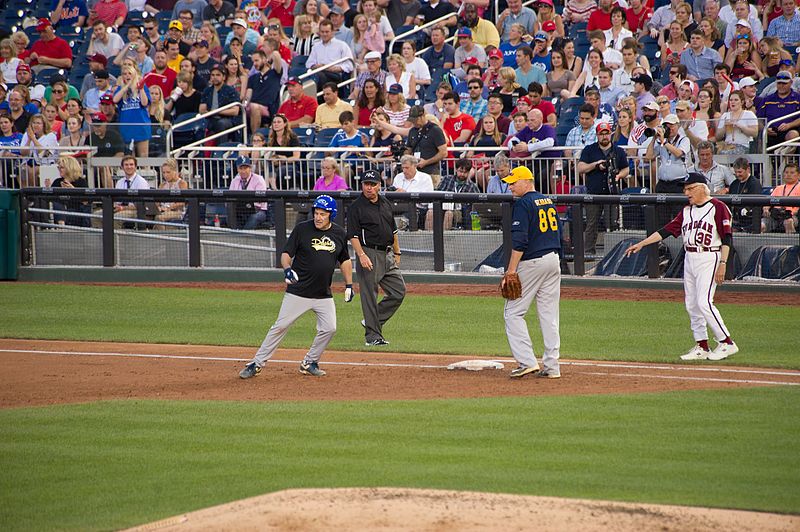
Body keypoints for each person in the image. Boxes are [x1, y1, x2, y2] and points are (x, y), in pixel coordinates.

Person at [625, 172, 738, 361]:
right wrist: (642, 243)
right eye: (685, 189)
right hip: (690, 257)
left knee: (704, 302)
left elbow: (727, 237)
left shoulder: (718, 207)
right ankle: (702, 345)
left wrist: (723, 264)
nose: (687, 192)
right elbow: (666, 231)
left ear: (702, 187)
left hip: (710, 255)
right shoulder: (687, 210)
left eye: (690, 188)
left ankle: (726, 342)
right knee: (692, 304)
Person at [239, 195, 354, 379]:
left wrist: (349, 284)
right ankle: (256, 363)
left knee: (329, 328)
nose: (318, 217)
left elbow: (345, 260)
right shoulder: (302, 229)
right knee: (280, 326)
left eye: (322, 214)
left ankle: (309, 362)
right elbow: (286, 254)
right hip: (298, 292)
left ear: (331, 215)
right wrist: (287, 269)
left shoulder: (339, 233)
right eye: (316, 213)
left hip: (323, 294)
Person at [500, 165, 562, 379]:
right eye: (509, 183)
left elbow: (520, 240)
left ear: (527, 181)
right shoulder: (547, 200)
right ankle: (553, 367)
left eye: (514, 182)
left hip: (533, 262)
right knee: (549, 315)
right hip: (553, 260)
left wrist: (511, 270)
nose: (510, 186)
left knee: (513, 313)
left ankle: (527, 362)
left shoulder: (524, 203)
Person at [346, 168, 405, 346]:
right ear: (362, 185)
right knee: (369, 296)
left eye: (372, 184)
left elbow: (393, 230)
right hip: (369, 253)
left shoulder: (385, 202)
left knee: (398, 291)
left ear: (379, 186)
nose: (369, 188)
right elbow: (353, 235)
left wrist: (397, 252)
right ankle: (372, 337)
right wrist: (361, 255)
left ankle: (372, 320)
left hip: (387, 254)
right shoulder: (356, 207)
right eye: (366, 184)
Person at [577, 122, 629, 254]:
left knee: (613, 224)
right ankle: (588, 253)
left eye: (606, 133)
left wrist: (618, 176)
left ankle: (614, 253)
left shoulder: (618, 151)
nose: (604, 136)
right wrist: (595, 165)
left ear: (610, 134)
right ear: (597, 135)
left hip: (613, 193)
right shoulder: (589, 149)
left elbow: (626, 169)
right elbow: (580, 168)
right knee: (591, 224)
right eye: (601, 134)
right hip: (594, 193)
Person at [645, 113, 692, 225]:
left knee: (678, 216)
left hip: (678, 184)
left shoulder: (684, 140)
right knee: (661, 217)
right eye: (666, 125)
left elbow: (678, 153)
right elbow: (649, 156)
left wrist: (664, 142)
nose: (669, 128)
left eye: (671, 125)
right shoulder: (661, 141)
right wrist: (653, 138)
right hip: (663, 184)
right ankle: (661, 241)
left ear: (678, 126)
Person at [112, 65, 151, 157]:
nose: (127, 76)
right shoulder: (120, 89)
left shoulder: (143, 87)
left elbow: (145, 103)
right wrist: (126, 87)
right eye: (124, 74)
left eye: (130, 73)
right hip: (127, 128)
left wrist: (140, 89)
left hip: (141, 127)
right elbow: (115, 100)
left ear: (134, 75)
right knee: (129, 158)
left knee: (144, 157)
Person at [306, 20, 354, 94]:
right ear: (319, 32)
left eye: (327, 32)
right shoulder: (316, 46)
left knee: (317, 76)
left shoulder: (342, 45)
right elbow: (309, 63)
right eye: (322, 32)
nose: (324, 34)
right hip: (319, 72)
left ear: (332, 32)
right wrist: (316, 66)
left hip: (335, 75)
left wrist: (336, 68)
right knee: (312, 75)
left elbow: (350, 65)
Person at [405, 105, 448, 185]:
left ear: (422, 116)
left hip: (431, 172)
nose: (414, 123)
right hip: (415, 173)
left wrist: (426, 162)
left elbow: (443, 152)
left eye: (416, 120)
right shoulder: (412, 131)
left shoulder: (435, 130)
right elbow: (408, 149)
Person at [198, 65, 241, 143]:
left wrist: (217, 111)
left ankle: (220, 150)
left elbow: (235, 111)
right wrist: (206, 112)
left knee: (221, 124)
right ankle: (199, 152)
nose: (215, 77)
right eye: (213, 75)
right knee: (199, 125)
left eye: (218, 75)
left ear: (224, 77)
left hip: (228, 119)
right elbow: (202, 109)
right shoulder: (207, 91)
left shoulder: (231, 91)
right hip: (210, 119)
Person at [245, 49, 283, 134]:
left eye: (257, 60)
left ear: (264, 59)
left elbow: (276, 54)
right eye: (253, 61)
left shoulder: (275, 73)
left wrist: (269, 60)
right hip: (252, 106)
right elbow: (248, 95)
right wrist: (244, 105)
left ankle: (254, 138)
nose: (254, 64)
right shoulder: (252, 78)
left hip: (268, 108)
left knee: (254, 107)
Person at [392, 155, 434, 228]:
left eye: (407, 168)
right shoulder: (398, 177)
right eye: (403, 168)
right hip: (398, 206)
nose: (404, 171)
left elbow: (427, 200)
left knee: (409, 214)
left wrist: (406, 195)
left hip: (417, 208)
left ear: (415, 166)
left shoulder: (425, 178)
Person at [228, 156, 269, 229]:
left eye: (245, 168)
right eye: (241, 168)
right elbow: (230, 198)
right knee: (231, 214)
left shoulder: (258, 179)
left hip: (258, 210)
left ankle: (243, 236)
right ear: (237, 169)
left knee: (254, 217)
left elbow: (260, 200)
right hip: (240, 210)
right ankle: (234, 234)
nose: (243, 171)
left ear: (250, 168)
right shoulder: (235, 180)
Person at [51, 156, 90, 226]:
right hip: (60, 211)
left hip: (76, 211)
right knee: (57, 204)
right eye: (58, 167)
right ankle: (61, 225)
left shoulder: (81, 182)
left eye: (62, 168)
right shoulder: (57, 182)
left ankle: (62, 225)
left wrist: (73, 190)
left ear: (69, 168)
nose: (59, 170)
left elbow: (86, 202)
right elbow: (50, 198)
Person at [762, 163, 800, 233]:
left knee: (788, 222)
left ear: (798, 175)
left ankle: (791, 243)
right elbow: (768, 202)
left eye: (792, 173)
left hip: (792, 216)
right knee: (761, 225)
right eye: (786, 172)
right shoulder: (778, 188)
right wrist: (766, 209)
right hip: (775, 216)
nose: (788, 175)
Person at [113, 155, 150, 224]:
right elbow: (116, 201)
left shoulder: (141, 182)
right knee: (97, 215)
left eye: (131, 164)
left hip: (135, 210)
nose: (129, 167)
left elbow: (142, 205)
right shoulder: (119, 182)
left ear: (135, 167)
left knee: (115, 218)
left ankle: (116, 235)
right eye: (126, 165)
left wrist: (123, 208)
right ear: (122, 167)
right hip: (120, 209)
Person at [728, 157, 762, 231]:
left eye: (740, 172)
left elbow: (755, 203)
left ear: (748, 169)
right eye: (735, 172)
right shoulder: (734, 184)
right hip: (735, 221)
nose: (737, 174)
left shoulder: (754, 183)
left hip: (750, 222)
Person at [155, 158, 189, 226]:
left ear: (174, 171)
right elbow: (157, 201)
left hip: (177, 211)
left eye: (168, 172)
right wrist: (158, 207)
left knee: (159, 217)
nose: (165, 175)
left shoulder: (182, 183)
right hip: (162, 210)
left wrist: (169, 207)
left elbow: (182, 202)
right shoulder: (162, 185)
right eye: (164, 173)